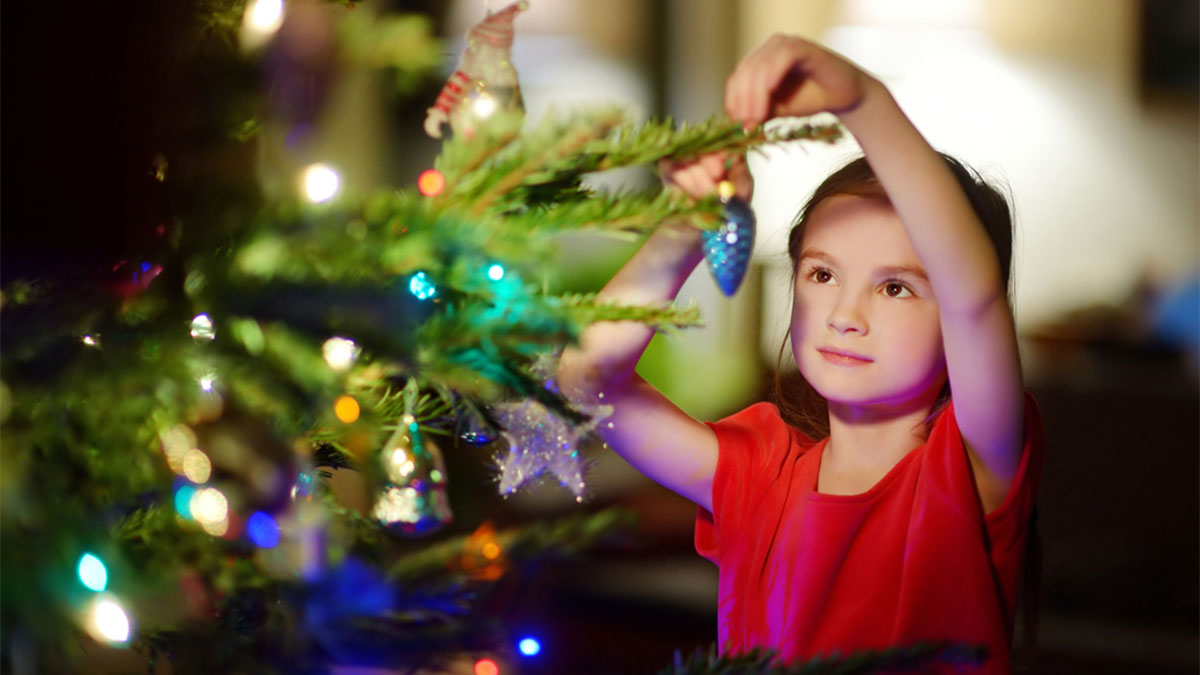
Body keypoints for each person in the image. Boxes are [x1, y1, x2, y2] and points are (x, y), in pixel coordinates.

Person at [556, 34, 1044, 673]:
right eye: (821, 275)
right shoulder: (757, 474)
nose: (845, 315)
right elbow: (585, 379)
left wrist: (863, 101)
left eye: (895, 287)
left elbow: (972, 294)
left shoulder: (971, 465)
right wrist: (683, 227)